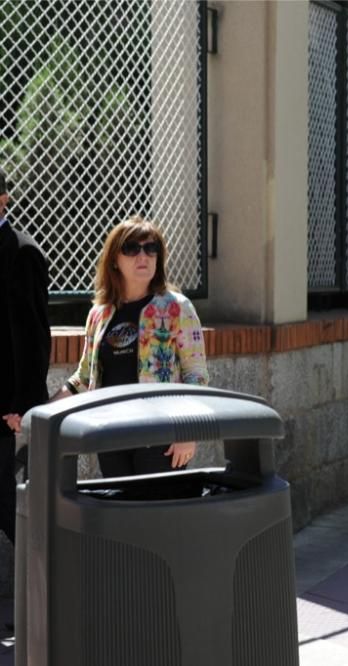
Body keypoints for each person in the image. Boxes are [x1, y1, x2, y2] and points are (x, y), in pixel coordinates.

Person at [52, 216, 208, 476]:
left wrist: (187, 432)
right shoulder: (100, 314)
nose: (143, 256)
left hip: (161, 434)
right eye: (132, 249)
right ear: (115, 259)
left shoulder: (177, 307)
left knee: (157, 514)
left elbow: (196, 375)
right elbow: (83, 378)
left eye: (151, 248)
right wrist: (40, 411)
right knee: (119, 513)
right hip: (111, 433)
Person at [0, 168, 50, 545]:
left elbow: (33, 337)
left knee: (8, 501)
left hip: (8, 409)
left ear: (4, 199)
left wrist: (25, 404)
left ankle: (45, 585)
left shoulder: (21, 252)